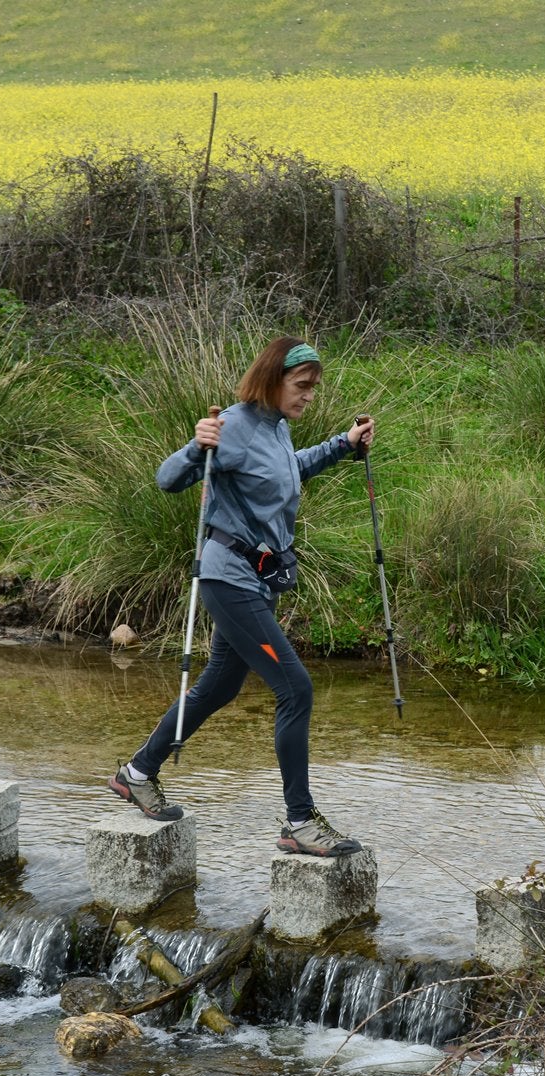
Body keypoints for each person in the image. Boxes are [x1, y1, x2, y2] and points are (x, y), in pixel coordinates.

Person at [107, 336, 375, 857]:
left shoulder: (275, 429)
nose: (308, 396)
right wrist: (194, 445)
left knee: (219, 687)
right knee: (295, 689)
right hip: (228, 579)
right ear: (273, 379)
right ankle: (299, 821)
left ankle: (137, 772)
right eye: (301, 387)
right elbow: (168, 479)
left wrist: (343, 444)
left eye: (313, 388)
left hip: (259, 580)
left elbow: (287, 471)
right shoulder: (231, 426)